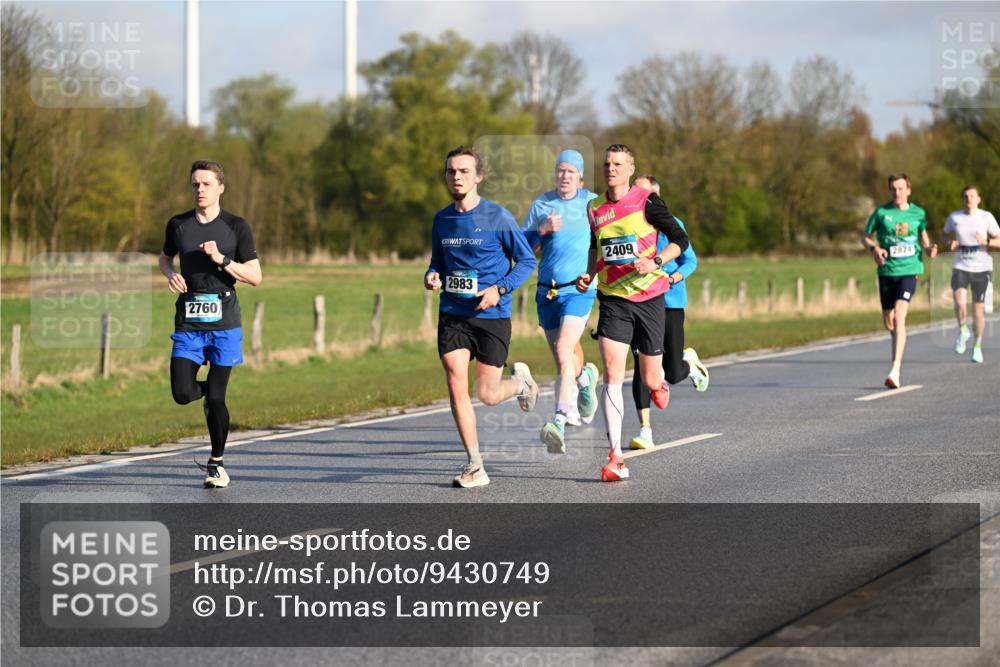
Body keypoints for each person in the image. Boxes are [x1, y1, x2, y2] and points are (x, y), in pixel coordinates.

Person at [425, 146, 539, 488]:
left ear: (478, 176)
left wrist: (498, 290)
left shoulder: (498, 217)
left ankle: (521, 384)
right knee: (455, 381)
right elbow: (438, 263)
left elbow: (527, 262)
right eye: (451, 171)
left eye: (463, 171)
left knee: (487, 394)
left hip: (492, 315)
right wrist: (432, 275)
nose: (456, 176)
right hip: (453, 313)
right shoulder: (442, 219)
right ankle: (475, 465)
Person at [576, 145, 689, 482]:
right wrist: (589, 273)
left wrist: (655, 261)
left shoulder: (646, 201)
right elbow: (597, 247)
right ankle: (615, 456)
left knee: (651, 377)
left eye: (618, 164)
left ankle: (659, 384)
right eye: (607, 164)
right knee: (613, 374)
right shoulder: (594, 207)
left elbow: (680, 240)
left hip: (651, 297)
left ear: (630, 169)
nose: (611, 169)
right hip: (613, 301)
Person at [158, 160, 262, 488]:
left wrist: (223, 260)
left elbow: (256, 277)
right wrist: (171, 274)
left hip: (225, 323)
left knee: (217, 399)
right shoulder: (178, 225)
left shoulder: (236, 226)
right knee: (181, 392)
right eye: (195, 185)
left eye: (205, 184)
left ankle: (216, 464)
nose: (199, 190)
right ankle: (206, 391)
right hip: (189, 322)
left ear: (220, 188)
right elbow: (164, 258)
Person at [521, 149, 600, 454]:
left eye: (571, 171)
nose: (564, 176)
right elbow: (522, 247)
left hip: (579, 290)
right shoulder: (542, 205)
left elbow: (609, 235)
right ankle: (585, 377)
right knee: (562, 358)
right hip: (547, 292)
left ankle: (559, 419)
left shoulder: (591, 204)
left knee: (565, 350)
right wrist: (541, 231)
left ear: (580, 177)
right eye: (560, 170)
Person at [627, 175, 709, 450]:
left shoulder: (674, 226)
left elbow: (691, 262)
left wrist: (672, 279)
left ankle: (688, 363)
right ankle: (645, 430)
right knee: (640, 367)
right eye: (639, 194)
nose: (645, 201)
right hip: (638, 303)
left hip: (670, 302)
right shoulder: (626, 225)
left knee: (672, 373)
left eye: (652, 196)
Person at [861, 172, 937, 389]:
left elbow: (922, 235)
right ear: (890, 191)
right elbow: (865, 236)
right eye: (893, 189)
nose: (897, 192)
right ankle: (897, 340)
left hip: (909, 270)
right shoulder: (881, 212)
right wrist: (874, 248)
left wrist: (928, 248)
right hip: (886, 273)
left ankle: (895, 369)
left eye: (901, 188)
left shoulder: (918, 213)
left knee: (900, 314)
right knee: (890, 321)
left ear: (908, 190)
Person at [943, 185, 999, 363]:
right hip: (961, 265)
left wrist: (987, 241)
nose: (969, 199)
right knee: (959, 301)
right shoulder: (955, 217)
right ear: (963, 199)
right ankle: (963, 330)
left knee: (978, 310)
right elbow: (944, 234)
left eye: (972, 196)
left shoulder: (986, 217)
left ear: (978, 199)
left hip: (981, 268)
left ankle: (977, 346)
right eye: (966, 196)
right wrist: (949, 243)